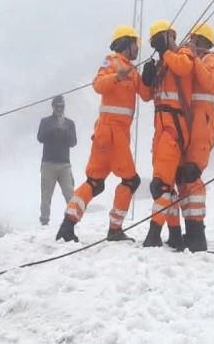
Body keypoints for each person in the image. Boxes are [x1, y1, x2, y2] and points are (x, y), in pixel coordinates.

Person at [56, 25, 150, 243]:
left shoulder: (133, 71)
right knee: (130, 180)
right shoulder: (111, 61)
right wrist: (117, 76)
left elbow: (146, 95)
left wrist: (151, 76)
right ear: (126, 43)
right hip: (111, 134)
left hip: (111, 136)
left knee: (94, 182)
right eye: (136, 43)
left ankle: (67, 225)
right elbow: (98, 85)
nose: (138, 48)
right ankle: (114, 228)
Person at [141, 20, 195, 249]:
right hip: (161, 130)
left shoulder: (181, 54)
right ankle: (174, 234)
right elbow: (146, 96)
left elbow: (184, 67)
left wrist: (166, 52)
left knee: (160, 185)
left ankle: (154, 234)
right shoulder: (163, 64)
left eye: (167, 39)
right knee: (166, 187)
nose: (168, 43)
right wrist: (147, 76)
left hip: (173, 129)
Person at [175, 22, 214, 252]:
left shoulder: (210, 60)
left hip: (203, 123)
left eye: (193, 39)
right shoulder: (197, 61)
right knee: (183, 176)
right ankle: (190, 230)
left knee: (193, 174)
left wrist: (193, 58)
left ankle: (197, 233)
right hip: (192, 122)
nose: (190, 42)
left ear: (201, 41)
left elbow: (208, 82)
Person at [37, 95, 77, 225]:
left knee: (70, 193)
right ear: (53, 107)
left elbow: (73, 142)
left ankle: (72, 219)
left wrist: (64, 131)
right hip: (48, 163)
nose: (60, 109)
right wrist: (54, 130)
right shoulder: (45, 121)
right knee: (46, 195)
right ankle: (44, 221)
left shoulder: (70, 123)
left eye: (62, 106)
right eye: (57, 106)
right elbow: (40, 138)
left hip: (65, 164)